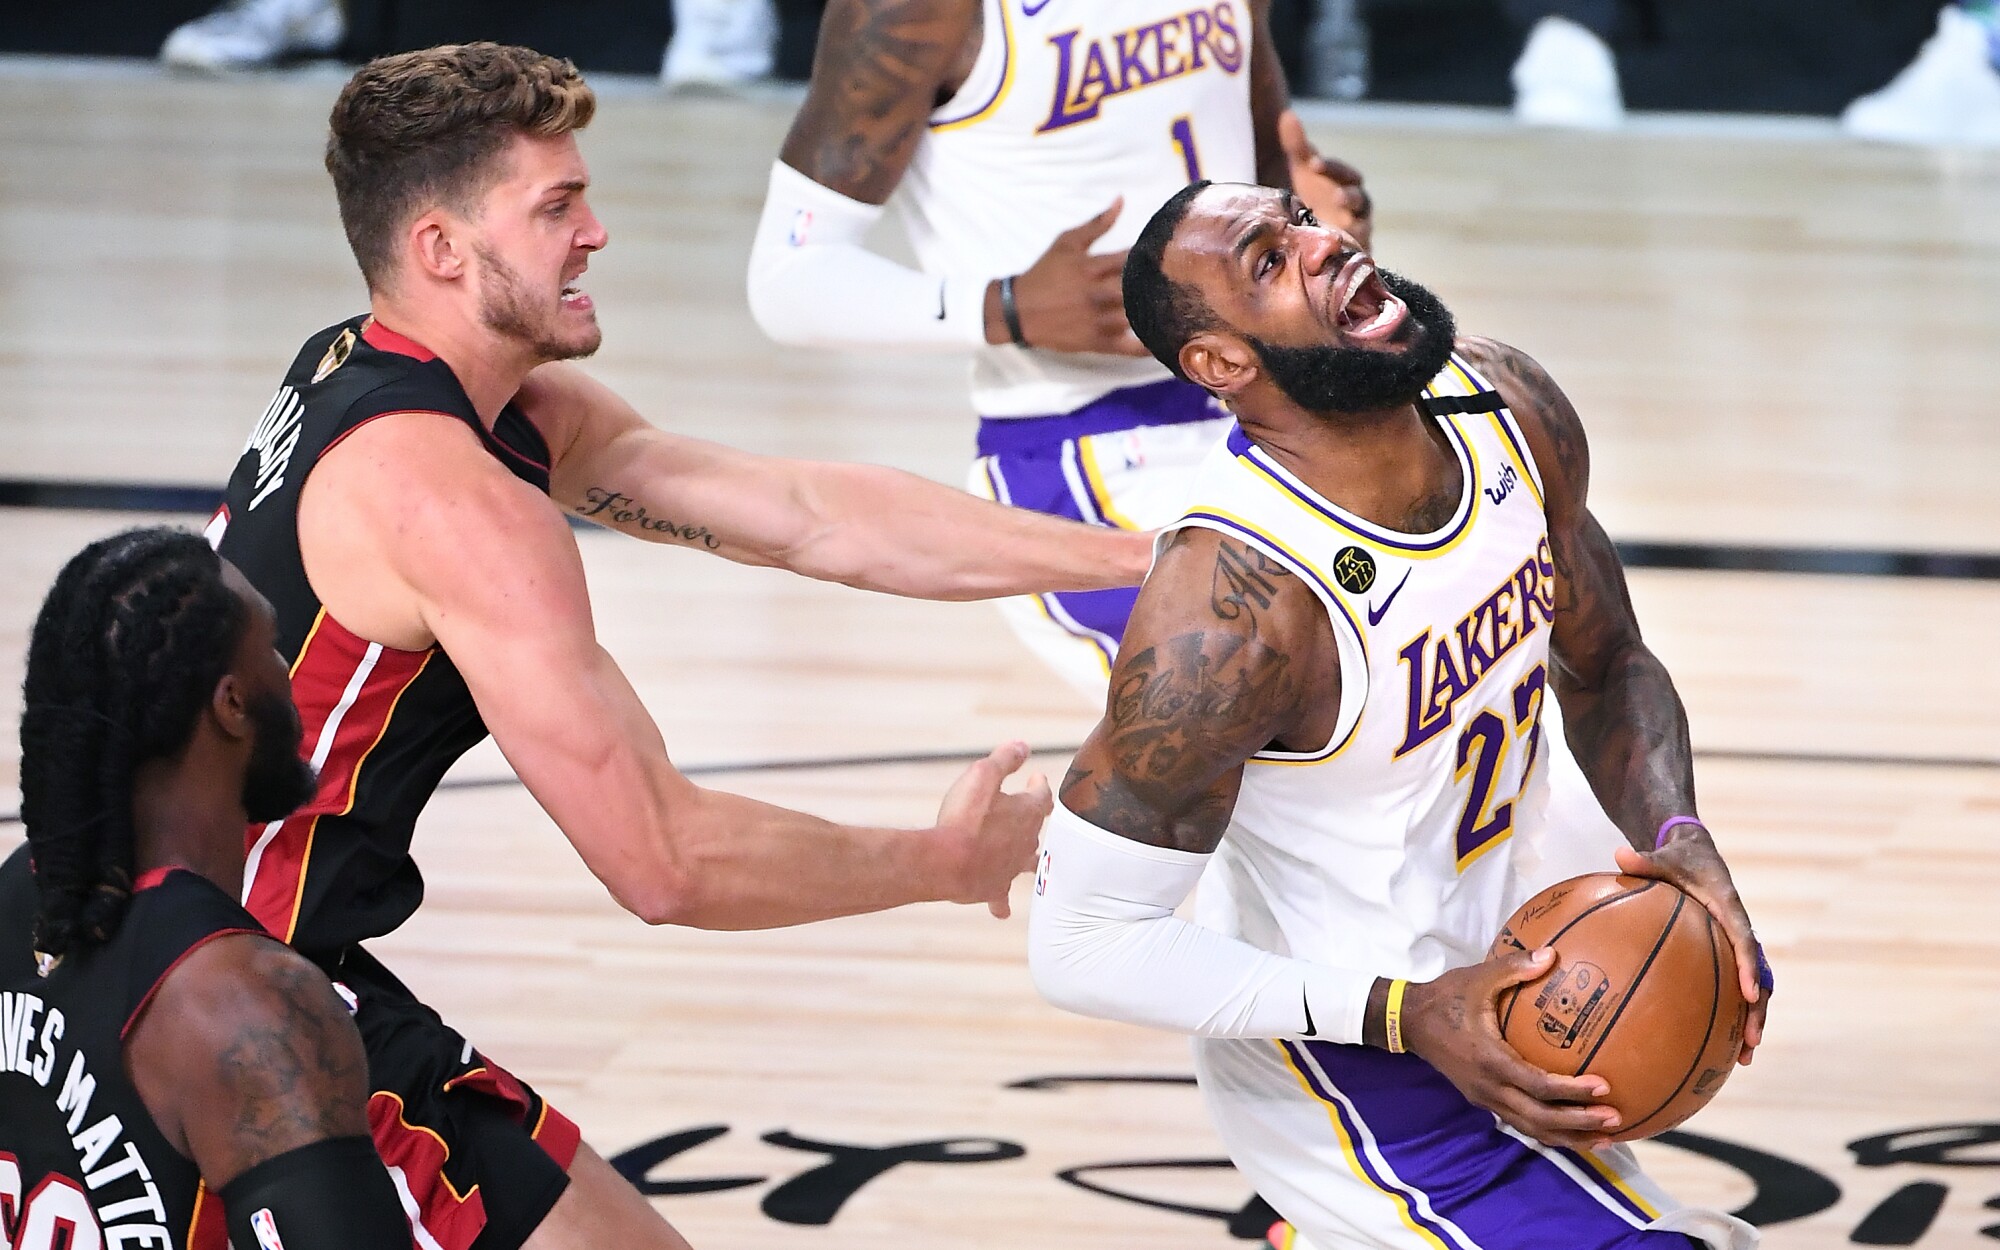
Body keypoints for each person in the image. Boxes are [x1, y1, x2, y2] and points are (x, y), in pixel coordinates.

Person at [204, 40, 1156, 1250]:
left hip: (195, 927)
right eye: (556, 207)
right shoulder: (449, 498)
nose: (595, 231)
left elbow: (807, 516)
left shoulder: (393, 370)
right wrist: (942, 860)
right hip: (220, 984)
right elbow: (663, 861)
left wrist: (1141, 556)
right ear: (442, 248)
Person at [1025, 181, 1770, 1250]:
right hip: (1355, 1058)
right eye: (1268, 260)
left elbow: (1606, 665)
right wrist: (1408, 1012)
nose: (1323, 243)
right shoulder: (1231, 607)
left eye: (1301, 221)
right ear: (1222, 363)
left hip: (1533, 962)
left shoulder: (1501, 405)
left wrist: (1677, 839)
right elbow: (1080, 944)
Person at [748, 0, 1373, 699]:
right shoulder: (913, 12)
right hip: (1089, 447)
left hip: (1293, 395)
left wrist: (1321, 230)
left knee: (1436, 690)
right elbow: (789, 279)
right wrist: (1005, 306)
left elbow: (1270, 167)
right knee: (1276, 719)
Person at [0, 528, 413, 1250]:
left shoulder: (19, 896)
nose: (289, 671)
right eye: (276, 648)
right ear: (231, 705)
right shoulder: (246, 1005)